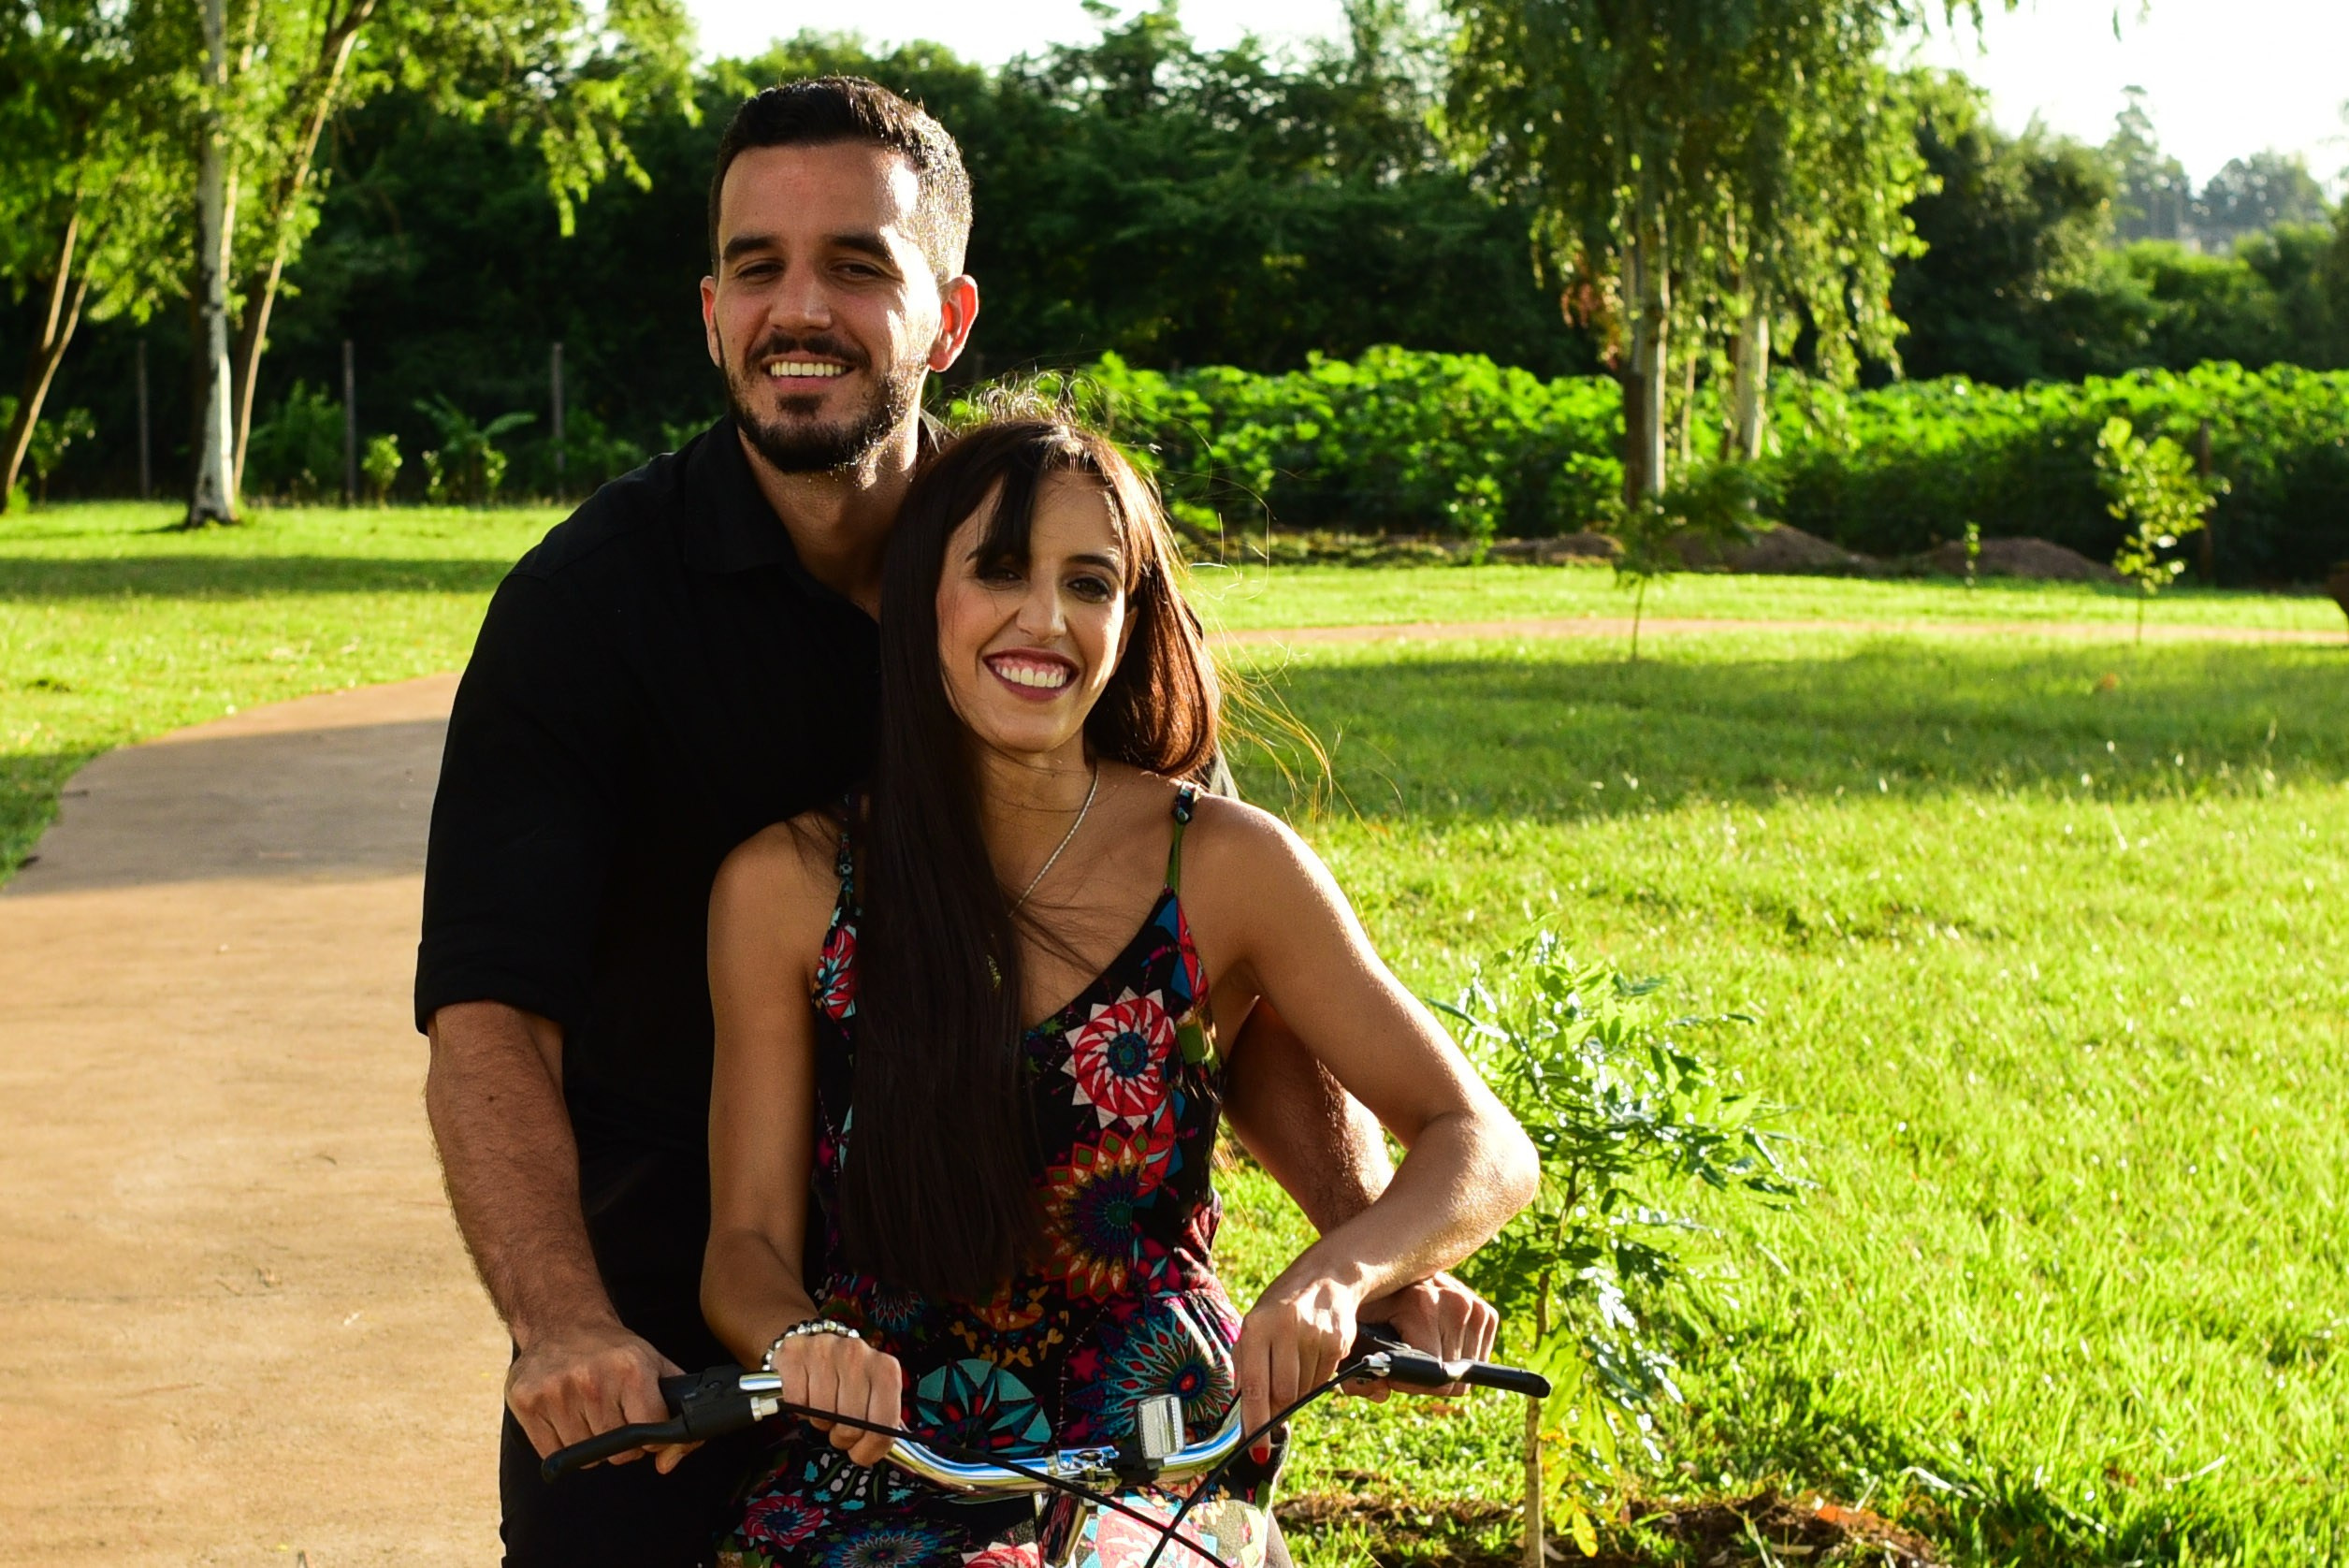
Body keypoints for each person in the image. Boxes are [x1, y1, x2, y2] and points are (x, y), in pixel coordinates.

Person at [417, 76, 1500, 1568]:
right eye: (757, 267)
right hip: (696, 1297)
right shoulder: (585, 612)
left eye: (857, 264)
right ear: (712, 307)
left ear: (950, 315)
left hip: (1094, 1352)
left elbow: (1219, 988)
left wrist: (1358, 1253)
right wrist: (562, 1323)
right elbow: (489, 1011)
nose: (800, 306)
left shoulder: (1040, 553)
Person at [702, 415, 1539, 1568]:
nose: (1044, 618)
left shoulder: (1228, 864)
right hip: (886, 1446)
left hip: (1157, 1434)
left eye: (1088, 583)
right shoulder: (786, 885)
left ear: (1129, 620)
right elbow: (741, 1244)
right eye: (999, 569)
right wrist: (801, 1339)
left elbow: (1484, 1141)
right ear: (915, 598)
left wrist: (1338, 1277)